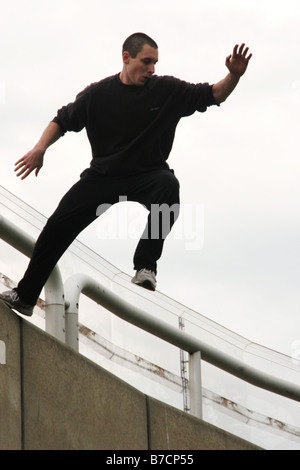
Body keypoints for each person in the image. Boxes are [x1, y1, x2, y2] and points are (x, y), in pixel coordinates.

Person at [0, 33, 252, 317]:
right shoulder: (97, 95)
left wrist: (234, 76)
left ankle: (146, 266)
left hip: (148, 174)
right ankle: (26, 295)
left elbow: (214, 93)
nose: (152, 69)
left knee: (168, 187)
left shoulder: (167, 90)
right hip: (103, 177)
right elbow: (61, 120)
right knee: (58, 225)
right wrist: (39, 148)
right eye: (146, 62)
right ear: (126, 58)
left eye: (155, 63)